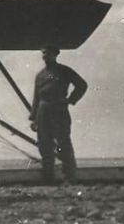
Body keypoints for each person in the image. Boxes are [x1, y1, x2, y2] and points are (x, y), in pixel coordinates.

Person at [29, 44, 88, 185]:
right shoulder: (40, 75)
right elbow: (36, 97)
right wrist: (34, 118)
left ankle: (70, 178)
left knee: (63, 143)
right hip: (43, 112)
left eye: (48, 53)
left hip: (59, 110)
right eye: (43, 53)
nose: (45, 56)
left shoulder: (64, 71)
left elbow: (82, 85)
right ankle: (49, 179)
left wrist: (70, 100)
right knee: (44, 145)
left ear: (55, 54)